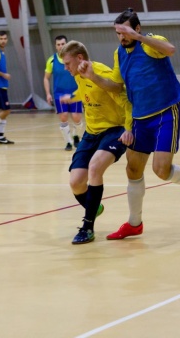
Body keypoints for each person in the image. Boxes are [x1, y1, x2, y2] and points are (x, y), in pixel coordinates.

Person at [107, 8, 180, 240]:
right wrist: (91, 76)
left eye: (125, 32)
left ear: (137, 28)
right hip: (139, 118)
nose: (122, 37)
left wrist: (139, 37)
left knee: (160, 170)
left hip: (164, 113)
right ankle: (134, 223)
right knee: (132, 169)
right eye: (118, 33)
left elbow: (170, 49)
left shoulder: (150, 42)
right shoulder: (119, 53)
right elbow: (116, 87)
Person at [59, 40, 133, 245]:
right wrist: (72, 98)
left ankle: (87, 227)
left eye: (67, 63)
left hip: (114, 130)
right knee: (76, 183)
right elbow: (86, 93)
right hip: (91, 133)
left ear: (79, 58)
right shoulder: (78, 75)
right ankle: (94, 206)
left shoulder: (102, 73)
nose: (66, 68)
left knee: (94, 168)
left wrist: (129, 128)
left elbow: (125, 98)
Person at [43, 35, 84, 151]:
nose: (61, 46)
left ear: (67, 45)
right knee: (64, 116)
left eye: (63, 44)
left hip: (74, 93)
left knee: (77, 118)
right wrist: (48, 93)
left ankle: (76, 136)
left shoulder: (75, 59)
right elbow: (46, 78)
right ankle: (68, 142)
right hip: (59, 94)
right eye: (58, 44)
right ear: (55, 46)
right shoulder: (51, 60)